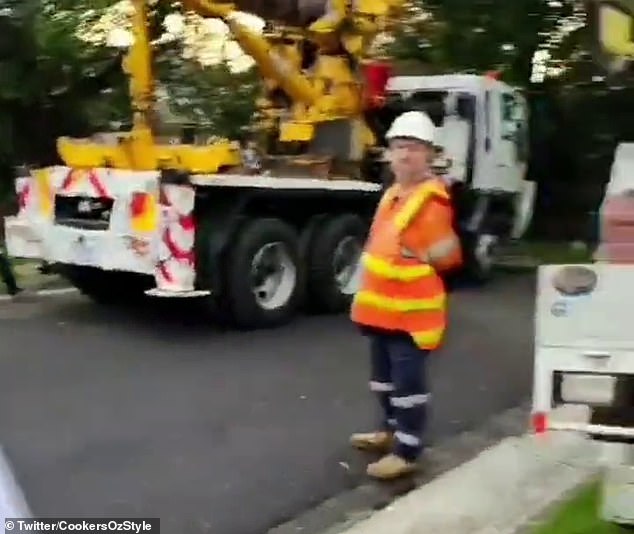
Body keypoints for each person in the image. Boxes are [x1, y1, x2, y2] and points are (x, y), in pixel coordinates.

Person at [349, 110, 463, 480]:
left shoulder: (431, 202)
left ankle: (407, 450)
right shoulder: (394, 196)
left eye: (413, 148)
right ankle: (389, 431)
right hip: (381, 313)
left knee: (407, 387)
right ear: (389, 153)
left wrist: (419, 258)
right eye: (399, 147)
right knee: (382, 382)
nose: (404, 155)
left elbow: (448, 257)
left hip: (411, 317)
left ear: (429, 154)